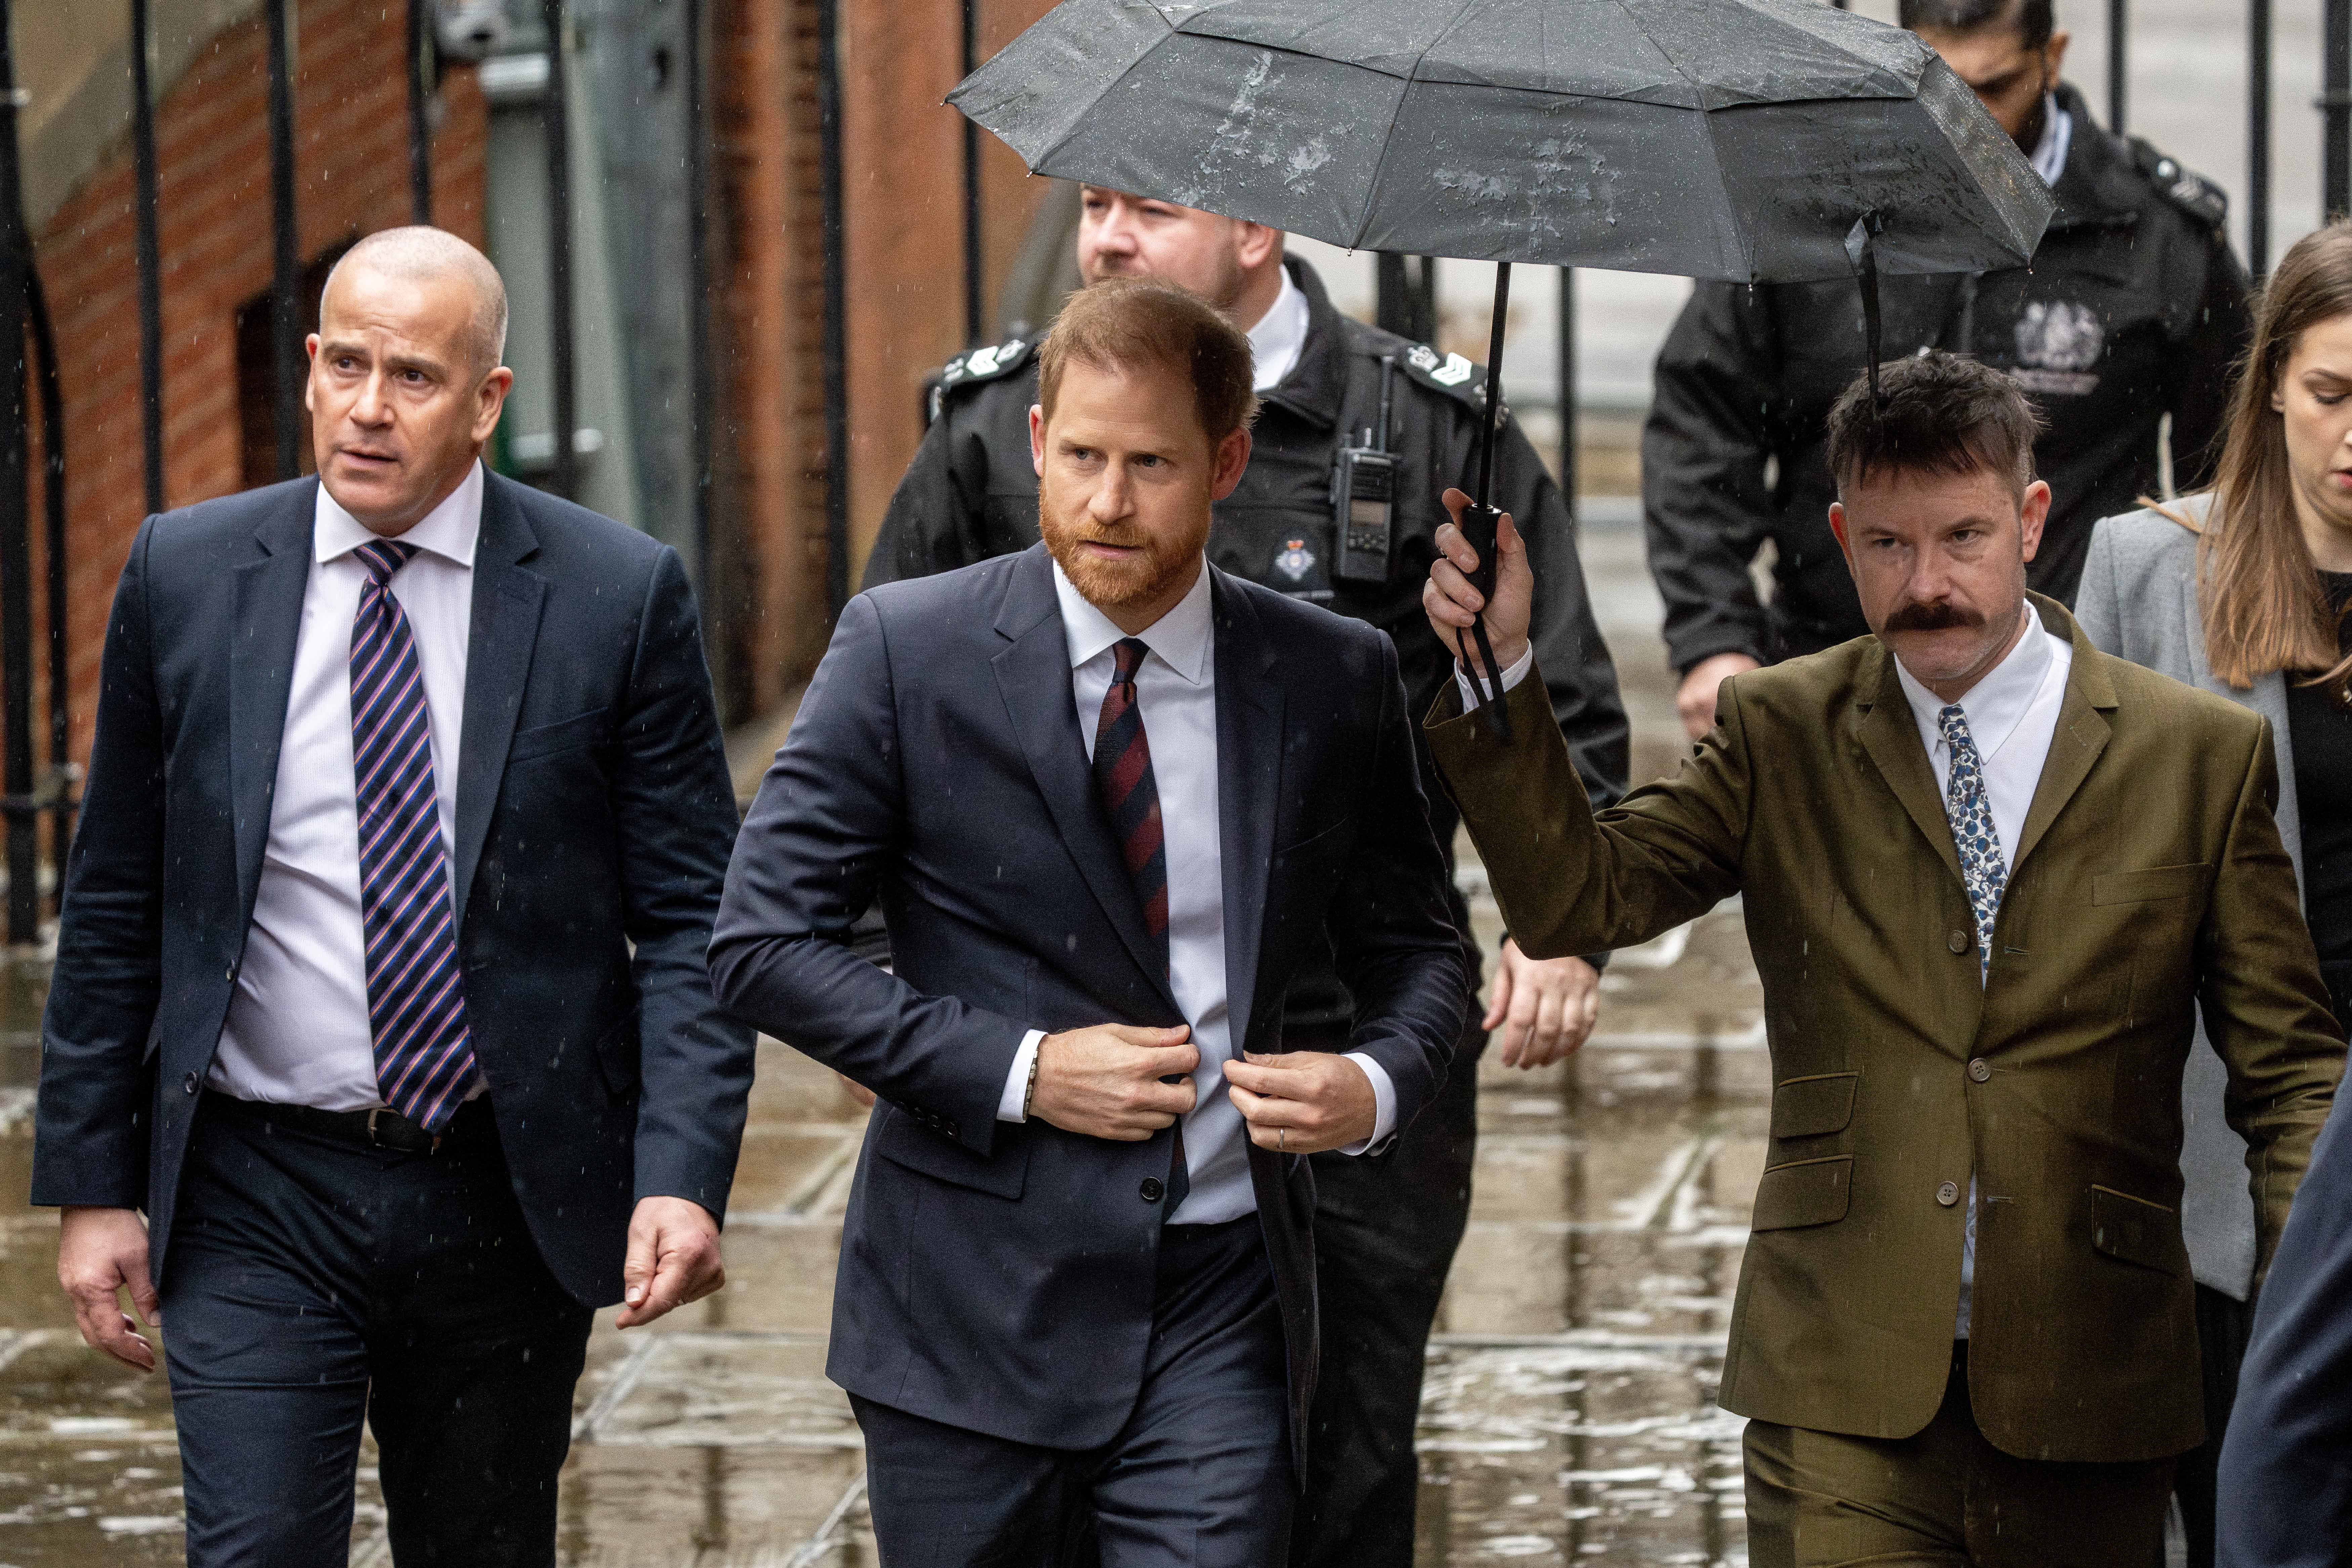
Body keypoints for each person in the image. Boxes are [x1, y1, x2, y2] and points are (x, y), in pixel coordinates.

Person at [1423, 350, 2342, 1563]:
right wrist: (1503, 667)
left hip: (2095, 1378)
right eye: (1890, 547)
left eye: (1963, 538)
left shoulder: (2196, 755)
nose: (1930, 585)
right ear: (1843, 535)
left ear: (2030, 520)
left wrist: (2308, 1312)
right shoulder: (1782, 728)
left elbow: (2289, 1075)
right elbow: (1579, 897)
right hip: (1842, 1374)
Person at [866, 187, 1629, 1563]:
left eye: (1145, 210)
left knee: (1337, 1451)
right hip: (1066, 1061)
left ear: (1256, 232)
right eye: (1091, 204)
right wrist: (908, 1023)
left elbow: (1559, 708)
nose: (1103, 238)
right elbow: (874, 736)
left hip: (1332, 1046)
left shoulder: (1433, 426)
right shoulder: (993, 427)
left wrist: (1556, 934)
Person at [709, 279, 1466, 1564]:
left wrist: (1375, 1083)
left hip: (1222, 1298)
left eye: (1153, 464)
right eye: (1082, 457)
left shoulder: (1330, 674)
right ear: (1038, 438)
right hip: (964, 1308)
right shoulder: (906, 649)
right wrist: (1021, 1069)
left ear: (1227, 461)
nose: (1110, 502)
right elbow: (762, 944)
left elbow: (1426, 949)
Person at [31, 227, 754, 1566]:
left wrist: (681, 1173)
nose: (369, 408)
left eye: (414, 378)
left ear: (489, 402)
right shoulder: (186, 576)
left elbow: (697, 924)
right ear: (307, 369)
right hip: (257, 1180)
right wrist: (93, 1185)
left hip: (501, 1186)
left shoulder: (612, 596)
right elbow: (120, 894)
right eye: (345, 364)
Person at [1647, 0, 2253, 743]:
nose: (1967, 123)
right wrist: (1713, 641)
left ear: (2051, 58)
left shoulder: (2156, 231)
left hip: (2076, 708)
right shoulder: (1808, 208)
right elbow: (1702, 426)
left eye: (1994, 88)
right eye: (1941, 90)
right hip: (1831, 685)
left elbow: (2226, 482)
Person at [2077, 221, 2352, 1567]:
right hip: (2232, 1140)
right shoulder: (2149, 569)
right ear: (2271, 392)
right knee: (2244, 1509)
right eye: (2331, 395)